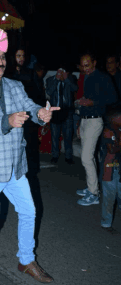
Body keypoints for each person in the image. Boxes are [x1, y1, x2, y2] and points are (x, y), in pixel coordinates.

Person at [0, 28, 60, 283]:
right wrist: (6, 121)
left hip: (15, 166)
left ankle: (26, 260)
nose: (0, 62)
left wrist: (41, 114)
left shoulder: (16, 86)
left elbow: (30, 105)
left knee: (29, 211)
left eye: (2, 56)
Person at [76, 51, 117, 206]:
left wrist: (93, 102)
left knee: (86, 157)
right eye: (82, 66)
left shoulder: (103, 77)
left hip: (96, 121)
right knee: (88, 157)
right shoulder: (87, 77)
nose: (85, 68)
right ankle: (91, 187)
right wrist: (80, 122)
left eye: (87, 65)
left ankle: (94, 194)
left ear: (94, 63)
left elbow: (112, 98)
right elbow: (87, 100)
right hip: (86, 120)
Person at [46, 65, 78, 165]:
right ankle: (55, 156)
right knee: (54, 136)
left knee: (68, 136)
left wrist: (66, 79)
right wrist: (56, 79)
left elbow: (75, 88)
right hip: (55, 111)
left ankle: (68, 156)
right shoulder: (50, 79)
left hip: (67, 111)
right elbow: (49, 91)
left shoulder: (71, 79)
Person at [99, 107, 121, 234]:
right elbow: (112, 150)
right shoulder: (108, 131)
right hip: (109, 170)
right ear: (113, 119)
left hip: (118, 168)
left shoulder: (118, 130)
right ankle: (106, 223)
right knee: (109, 198)